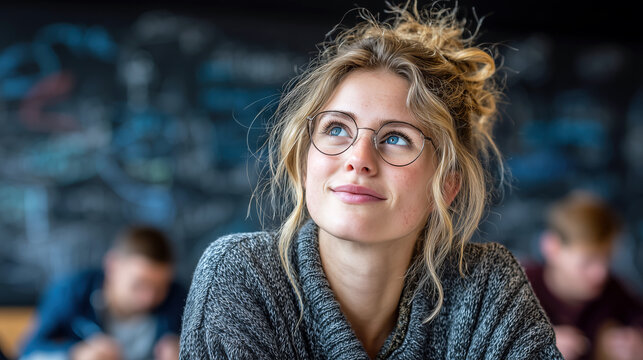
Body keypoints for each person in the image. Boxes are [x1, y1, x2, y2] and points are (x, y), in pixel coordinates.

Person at [180, 2, 562, 359]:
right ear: (304, 157)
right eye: (336, 129)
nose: (358, 160)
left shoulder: (486, 288)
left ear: (446, 185)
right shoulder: (242, 276)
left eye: (397, 138)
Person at [21, 226, 187, 360]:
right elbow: (28, 352)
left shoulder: (179, 299)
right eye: (139, 285)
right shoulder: (72, 292)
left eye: (160, 288)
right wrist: (75, 353)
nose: (149, 298)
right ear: (112, 266)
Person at [524, 191, 643, 360]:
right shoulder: (517, 287)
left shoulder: (613, 291)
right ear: (552, 248)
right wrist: (535, 347)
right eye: (587, 262)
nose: (601, 273)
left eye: (607, 258)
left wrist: (637, 343)